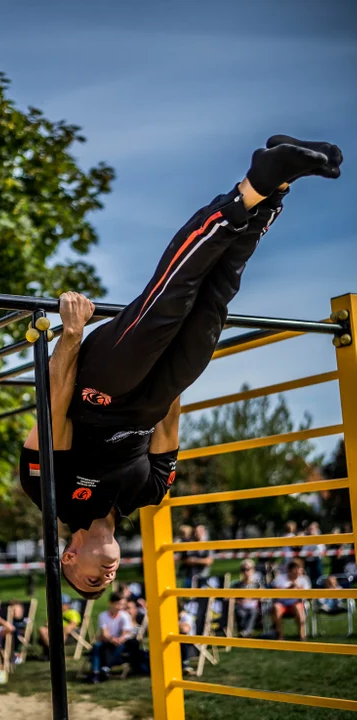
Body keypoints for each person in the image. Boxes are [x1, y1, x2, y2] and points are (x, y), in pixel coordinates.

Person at [20, 135, 343, 598]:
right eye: (108, 582)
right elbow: (169, 421)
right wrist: (175, 361)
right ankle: (276, 193)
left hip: (101, 390)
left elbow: (54, 410)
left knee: (171, 298)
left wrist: (70, 337)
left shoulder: (53, 494)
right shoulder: (146, 496)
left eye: (93, 579)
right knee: (213, 300)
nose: (108, 577)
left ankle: (253, 186)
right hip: (155, 399)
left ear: (69, 556)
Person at [88, 591, 135, 683]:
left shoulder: (124, 615)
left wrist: (119, 639)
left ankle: (103, 669)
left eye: (122, 605)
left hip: (121, 641)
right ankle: (96, 672)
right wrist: (112, 639)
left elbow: (125, 632)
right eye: (118, 604)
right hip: (108, 640)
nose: (120, 607)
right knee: (97, 646)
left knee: (119, 646)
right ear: (111, 603)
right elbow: (104, 633)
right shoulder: (103, 616)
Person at [271, 560, 311, 640]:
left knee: (298, 607)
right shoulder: (280, 579)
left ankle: (302, 635)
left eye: (299, 568)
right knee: (276, 607)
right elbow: (275, 594)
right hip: (282, 603)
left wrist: (297, 586)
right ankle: (280, 635)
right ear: (290, 570)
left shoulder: (304, 579)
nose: (298, 571)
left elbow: (308, 596)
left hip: (296, 603)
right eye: (295, 568)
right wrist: (289, 589)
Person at [37, 593, 81, 661]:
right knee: (42, 629)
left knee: (65, 629)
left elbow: (73, 625)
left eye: (62, 604)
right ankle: (54, 651)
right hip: (54, 632)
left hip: (69, 634)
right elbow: (47, 624)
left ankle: (55, 653)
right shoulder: (53, 612)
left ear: (67, 604)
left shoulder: (72, 612)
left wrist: (61, 629)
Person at [232, 559, 262, 637]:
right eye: (243, 569)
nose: (245, 572)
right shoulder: (236, 584)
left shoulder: (257, 584)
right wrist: (239, 601)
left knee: (252, 611)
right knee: (241, 613)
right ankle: (247, 631)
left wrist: (252, 599)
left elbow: (264, 597)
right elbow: (229, 598)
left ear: (253, 570)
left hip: (253, 606)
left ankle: (245, 632)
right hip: (240, 606)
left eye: (248, 569)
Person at [178, 598, 197, 675]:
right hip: (180, 643)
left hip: (188, 644)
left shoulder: (186, 617)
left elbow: (185, 629)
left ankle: (183, 665)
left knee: (182, 637)